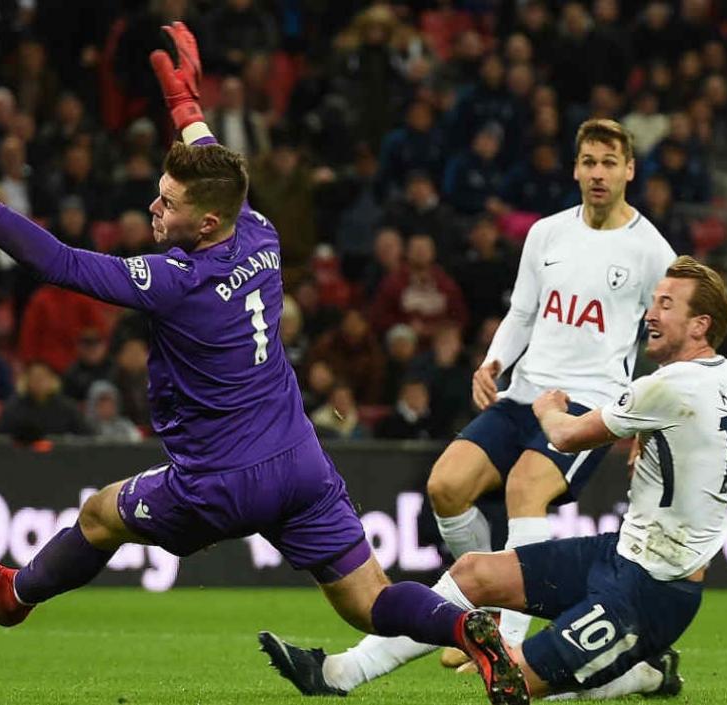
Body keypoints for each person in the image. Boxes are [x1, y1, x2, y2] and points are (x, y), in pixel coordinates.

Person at [0, 23, 524, 705]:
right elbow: (214, 166)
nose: (155, 207)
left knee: (98, 515)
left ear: (204, 225)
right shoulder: (258, 230)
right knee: (368, 600)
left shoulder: (174, 278)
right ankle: (467, 629)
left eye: (167, 204)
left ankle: (12, 595)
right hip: (299, 462)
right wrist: (187, 107)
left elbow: (58, 262)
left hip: (221, 481)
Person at [263, 257, 727, 700]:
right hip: (618, 555)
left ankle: (633, 671)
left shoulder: (667, 386)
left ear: (701, 326)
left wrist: (546, 402)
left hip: (653, 593)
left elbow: (563, 435)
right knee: (474, 573)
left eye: (667, 304)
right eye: (653, 299)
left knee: (510, 685)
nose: (651, 313)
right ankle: (340, 673)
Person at [275, 118, 677, 690]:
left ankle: (507, 640)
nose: (597, 173)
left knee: (525, 490)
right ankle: (485, 613)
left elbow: (668, 341)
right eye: (588, 161)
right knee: (446, 485)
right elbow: (523, 314)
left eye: (609, 162)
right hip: (525, 394)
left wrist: (643, 419)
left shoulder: (652, 251)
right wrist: (492, 362)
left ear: (630, 170)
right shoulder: (547, 234)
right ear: (575, 167)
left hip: (588, 407)